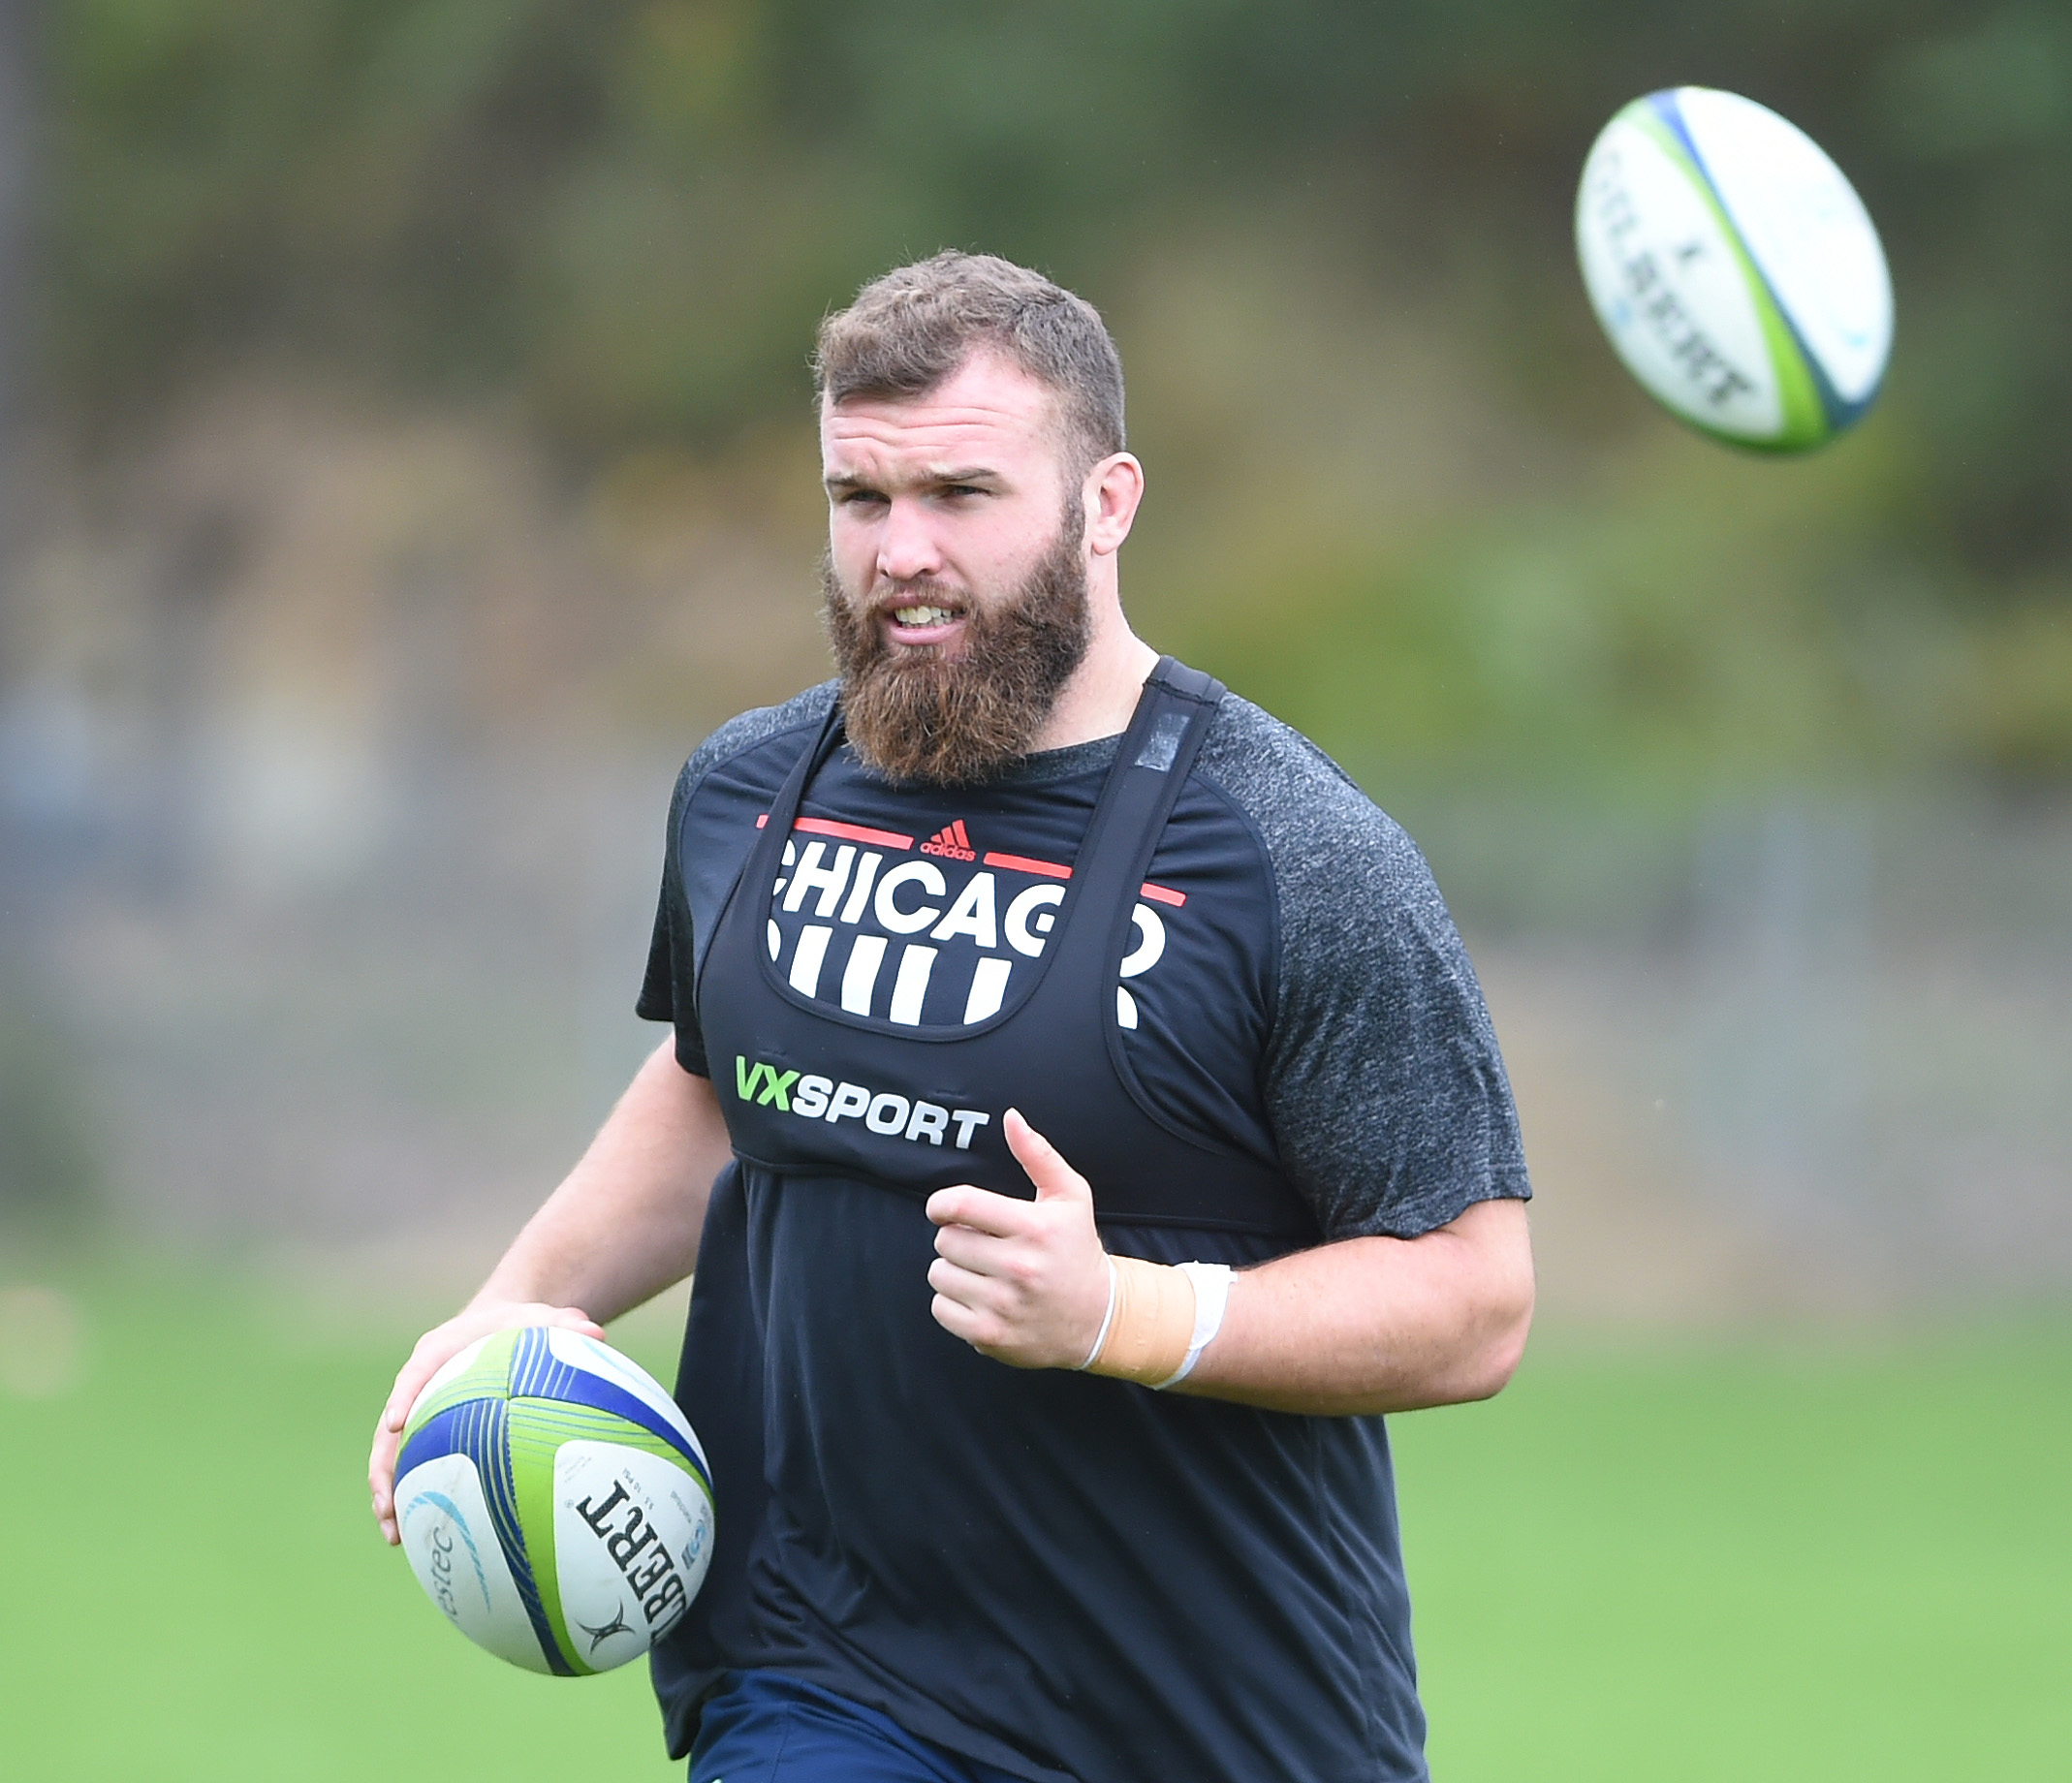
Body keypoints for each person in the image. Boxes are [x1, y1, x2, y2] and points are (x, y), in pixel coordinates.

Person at [369, 250, 1535, 1783]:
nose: (900, 552)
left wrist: (1123, 1314)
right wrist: (502, 1315)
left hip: (1216, 1715)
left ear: (1104, 503)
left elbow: (1473, 1297)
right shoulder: (749, 793)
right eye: (861, 501)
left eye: (960, 497)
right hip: (823, 1676)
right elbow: (721, 1089)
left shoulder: (1290, 856)